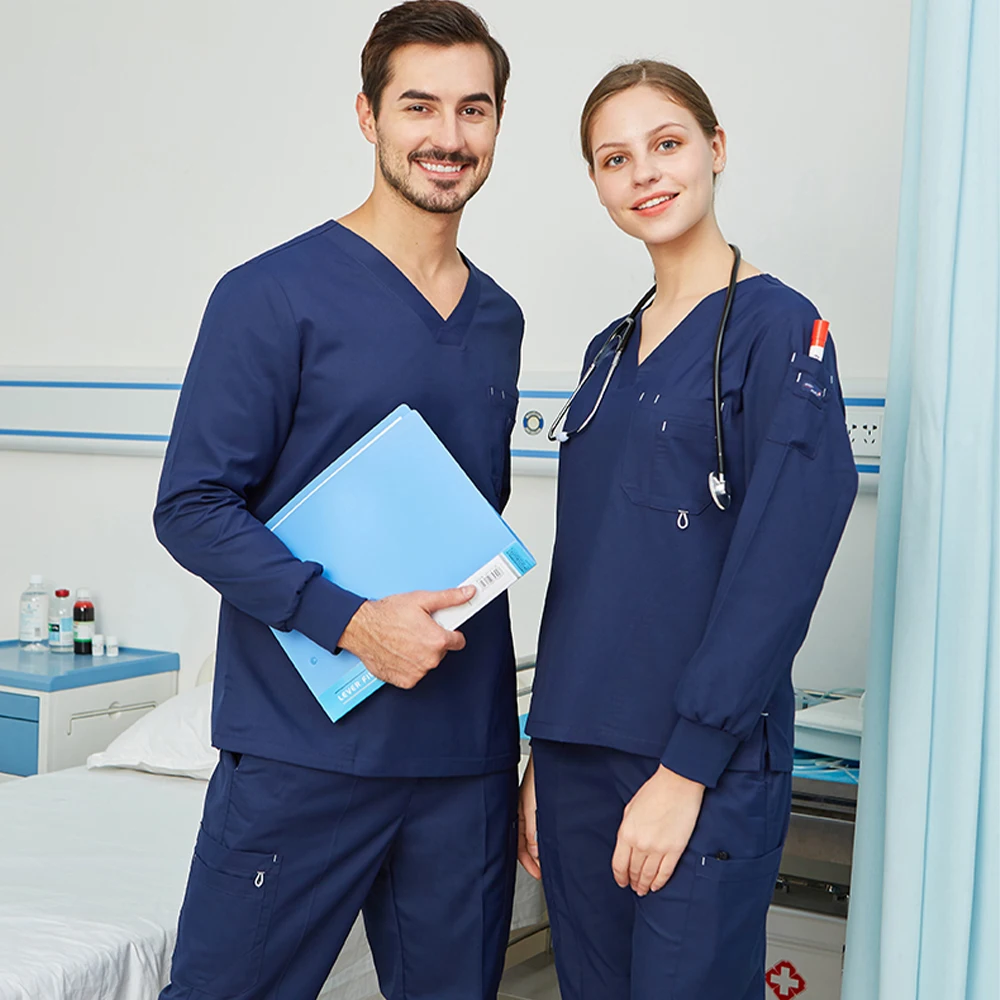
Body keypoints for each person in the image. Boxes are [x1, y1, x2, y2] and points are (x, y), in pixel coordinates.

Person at [154, 4, 522, 998]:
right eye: (419, 106)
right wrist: (352, 623)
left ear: (495, 124)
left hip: (463, 765)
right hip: (301, 754)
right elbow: (190, 503)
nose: (448, 136)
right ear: (367, 116)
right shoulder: (270, 296)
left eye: (473, 109)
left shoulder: (498, 320)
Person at [518, 61, 858, 999]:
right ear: (596, 183)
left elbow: (778, 567)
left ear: (715, 149)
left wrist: (686, 768)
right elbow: (586, 567)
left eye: (666, 144)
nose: (645, 174)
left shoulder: (780, 330)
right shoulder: (608, 351)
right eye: (614, 158)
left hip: (694, 761)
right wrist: (544, 753)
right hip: (577, 751)